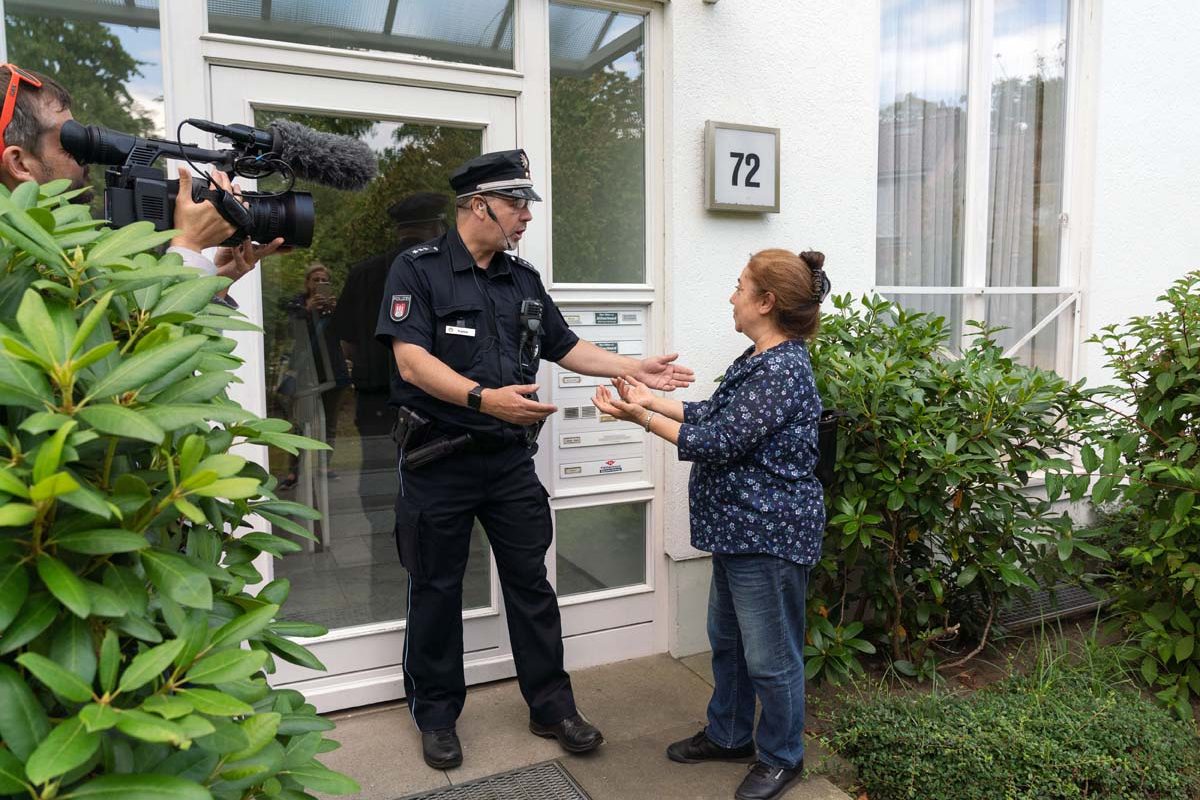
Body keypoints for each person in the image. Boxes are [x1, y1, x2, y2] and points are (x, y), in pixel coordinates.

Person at [375, 149, 695, 770]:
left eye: (527, 204)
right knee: (436, 590)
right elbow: (410, 361)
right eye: (516, 203)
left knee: (531, 587)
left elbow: (565, 345)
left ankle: (552, 707)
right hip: (438, 461)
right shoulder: (416, 270)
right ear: (477, 205)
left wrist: (635, 365)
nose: (526, 216)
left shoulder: (521, 278)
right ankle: (437, 716)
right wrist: (481, 398)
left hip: (508, 465)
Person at [592, 249, 830, 800]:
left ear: (766, 302)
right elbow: (716, 415)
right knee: (727, 641)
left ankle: (782, 757)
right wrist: (653, 397)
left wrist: (638, 416)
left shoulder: (781, 367)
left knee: (771, 657)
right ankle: (728, 735)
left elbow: (718, 442)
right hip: (739, 532)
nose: (731, 295)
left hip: (767, 536)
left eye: (740, 285)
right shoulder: (758, 358)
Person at [0, 63, 282, 307]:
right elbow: (135, 359)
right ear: (19, 163)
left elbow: (141, 339)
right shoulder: (22, 268)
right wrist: (188, 246)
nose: (83, 158)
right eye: (69, 144)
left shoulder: (50, 252)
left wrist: (215, 278)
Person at [332, 192, 449, 513]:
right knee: (440, 491)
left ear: (400, 230)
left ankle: (383, 552)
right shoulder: (443, 272)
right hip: (435, 398)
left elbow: (346, 341)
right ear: (437, 227)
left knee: (379, 486)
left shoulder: (363, 273)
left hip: (375, 400)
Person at [277, 262, 351, 490]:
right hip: (306, 373)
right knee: (300, 423)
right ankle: (294, 472)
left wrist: (337, 312)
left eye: (324, 280)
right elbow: (290, 329)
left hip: (334, 371)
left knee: (329, 423)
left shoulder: (334, 306)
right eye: (315, 279)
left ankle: (324, 467)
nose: (319, 284)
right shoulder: (297, 304)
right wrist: (308, 309)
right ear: (307, 282)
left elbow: (347, 332)